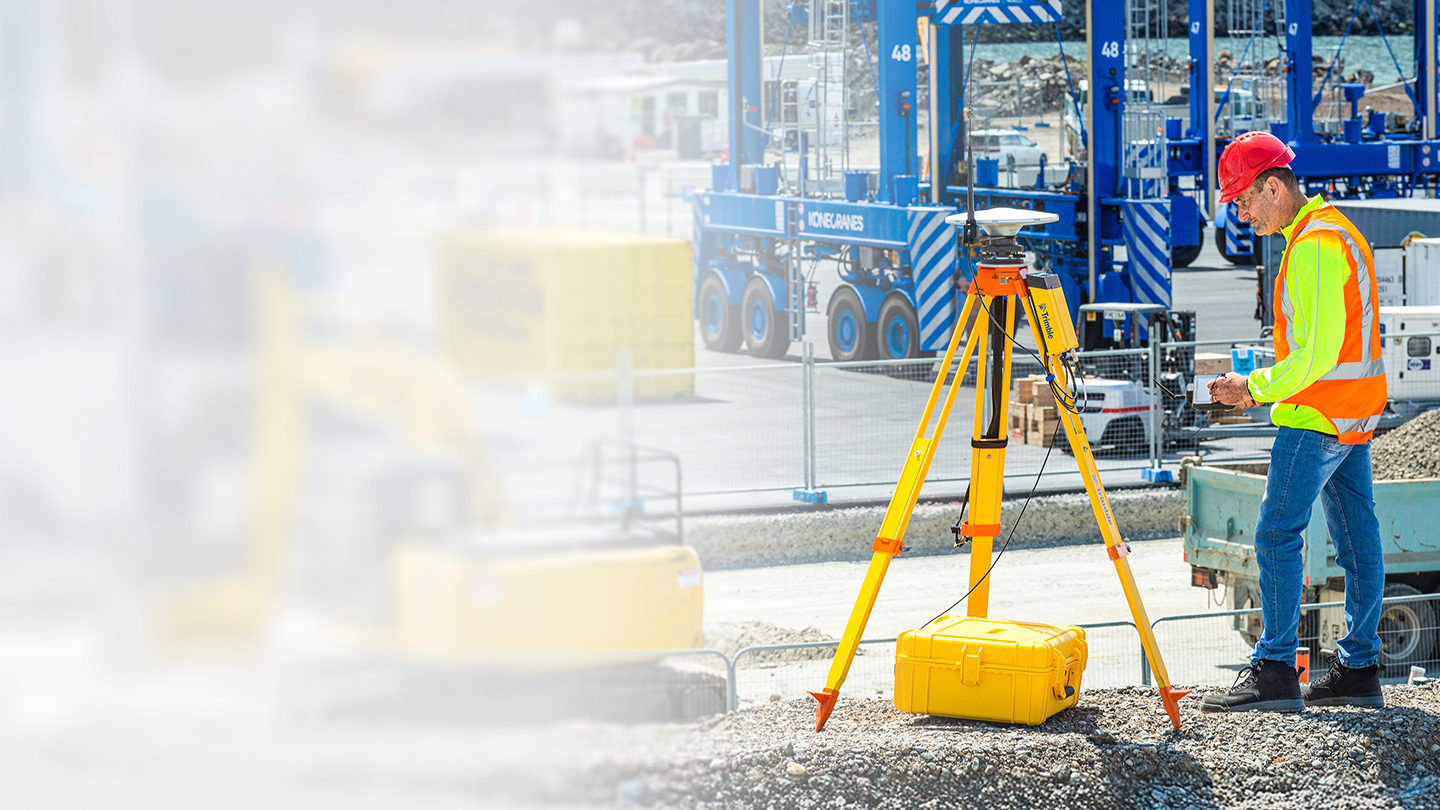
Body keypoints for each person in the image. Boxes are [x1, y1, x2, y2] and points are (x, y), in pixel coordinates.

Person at [1201, 131, 1387, 712]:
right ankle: (1359, 670)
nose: (1241, 211)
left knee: (1277, 534)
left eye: (1243, 199)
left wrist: (1250, 388)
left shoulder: (1311, 246)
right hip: (1352, 413)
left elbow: (1315, 355)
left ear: (1273, 187)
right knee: (1358, 541)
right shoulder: (1332, 230)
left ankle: (1277, 669)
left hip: (1317, 416)